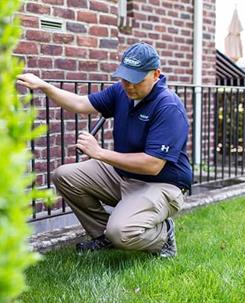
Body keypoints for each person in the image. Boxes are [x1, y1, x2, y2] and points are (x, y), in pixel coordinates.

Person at [17, 42, 192, 257]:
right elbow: (81, 104)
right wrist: (45, 86)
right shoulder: (121, 92)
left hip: (162, 184)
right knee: (64, 175)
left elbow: (153, 165)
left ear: (156, 74)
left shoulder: (168, 107)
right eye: (124, 77)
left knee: (122, 232)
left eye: (136, 80)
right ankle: (103, 236)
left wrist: (99, 153)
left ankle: (163, 236)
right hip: (123, 176)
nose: (128, 85)